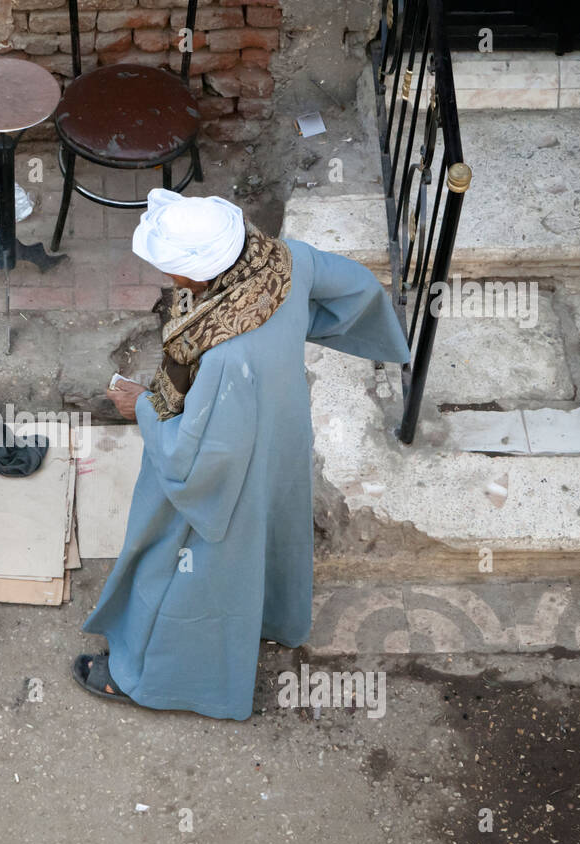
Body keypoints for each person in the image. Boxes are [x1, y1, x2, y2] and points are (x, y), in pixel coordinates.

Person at [74, 189, 411, 720]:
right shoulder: (286, 260)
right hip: (282, 437)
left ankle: (152, 680)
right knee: (273, 534)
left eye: (172, 271)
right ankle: (272, 620)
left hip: (236, 469)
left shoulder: (227, 355)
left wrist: (141, 406)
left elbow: (195, 464)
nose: (167, 279)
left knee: (188, 566)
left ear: (203, 276)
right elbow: (358, 287)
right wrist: (297, 323)